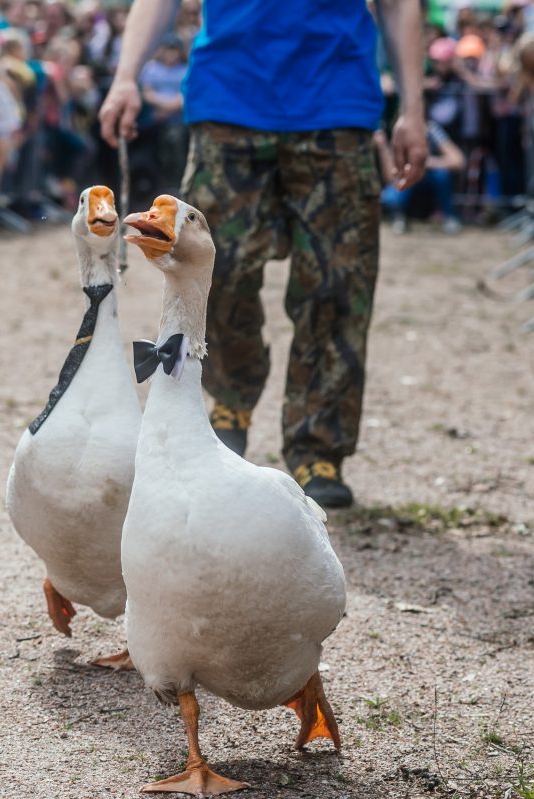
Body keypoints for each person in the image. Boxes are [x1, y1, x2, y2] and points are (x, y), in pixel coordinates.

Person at [99, 0, 427, 508]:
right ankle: (230, 397)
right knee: (212, 271)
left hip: (337, 106)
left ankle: (317, 447)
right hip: (228, 104)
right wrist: (125, 76)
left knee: (338, 288)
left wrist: (413, 107)